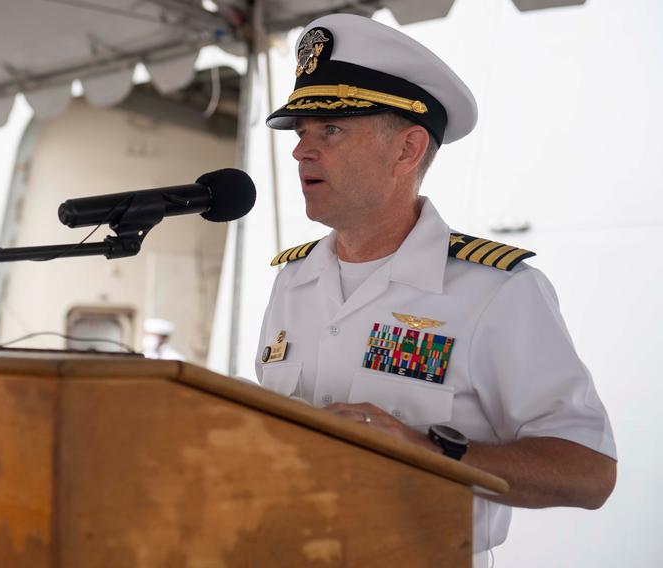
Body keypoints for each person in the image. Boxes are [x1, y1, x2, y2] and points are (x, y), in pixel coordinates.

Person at [254, 13, 616, 563]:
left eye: (331, 129)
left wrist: (431, 452)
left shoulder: (496, 291)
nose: (302, 150)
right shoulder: (292, 281)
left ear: (407, 149)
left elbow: (589, 472)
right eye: (302, 132)